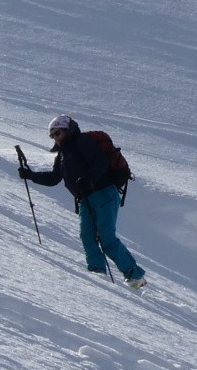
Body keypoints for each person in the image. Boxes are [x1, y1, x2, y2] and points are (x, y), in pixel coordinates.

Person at [19, 114, 147, 289]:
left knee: (106, 238)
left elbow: (100, 162)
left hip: (104, 193)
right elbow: (54, 178)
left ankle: (136, 277)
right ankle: (97, 274)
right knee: (87, 235)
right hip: (84, 199)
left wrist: (89, 179)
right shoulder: (63, 154)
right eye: (52, 135)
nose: (55, 138)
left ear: (67, 130)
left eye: (58, 133)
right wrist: (30, 175)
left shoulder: (82, 141)